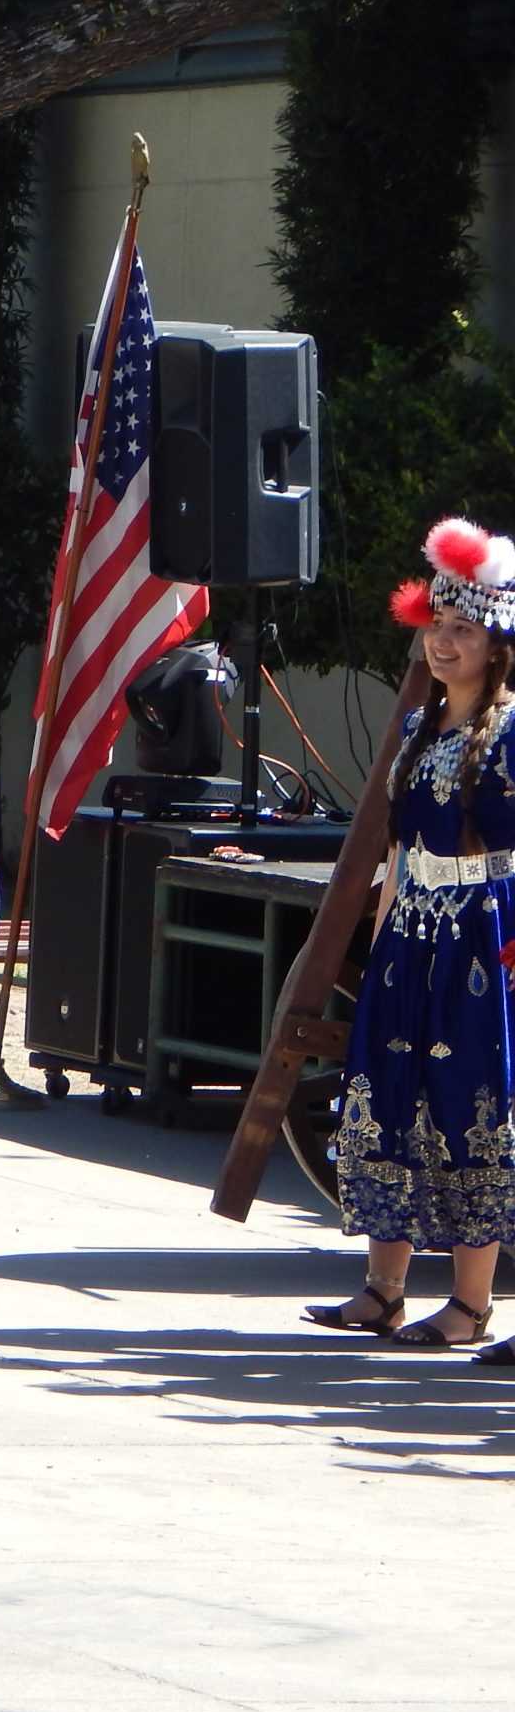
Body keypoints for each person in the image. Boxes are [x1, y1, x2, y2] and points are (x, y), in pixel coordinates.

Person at [306, 518, 515, 1362]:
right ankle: (382, 1291)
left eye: (463, 629)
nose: (443, 642)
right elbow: (398, 847)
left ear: (497, 642)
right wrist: (385, 930)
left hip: (482, 937)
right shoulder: (415, 730)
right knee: (389, 1094)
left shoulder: (509, 733)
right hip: (412, 936)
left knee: (472, 1107)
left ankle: (469, 1303)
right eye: (437, 625)